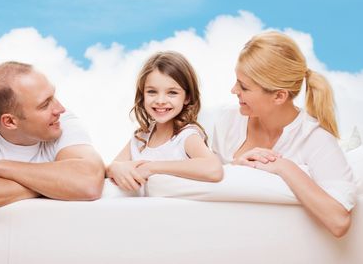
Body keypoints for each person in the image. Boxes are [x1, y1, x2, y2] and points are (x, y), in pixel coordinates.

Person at [212, 31, 356, 237]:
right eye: (237, 81)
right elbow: (212, 180)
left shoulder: (315, 139)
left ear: (279, 96)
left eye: (244, 86)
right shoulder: (228, 120)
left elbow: (339, 221)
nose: (234, 90)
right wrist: (236, 168)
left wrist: (284, 167)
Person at [0, 61, 105, 212]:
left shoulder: (61, 122)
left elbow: (88, 182)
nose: (60, 109)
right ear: (10, 121)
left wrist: (4, 167)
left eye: (53, 96)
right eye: (45, 104)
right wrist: (56, 187)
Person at [107, 51, 223, 192]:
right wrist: (114, 168)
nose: (160, 101)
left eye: (172, 93)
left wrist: (151, 167)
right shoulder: (141, 137)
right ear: (142, 95)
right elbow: (112, 169)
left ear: (187, 97)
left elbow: (214, 169)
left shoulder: (186, 136)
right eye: (152, 92)